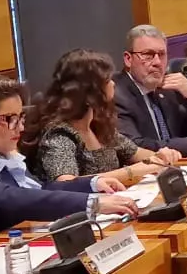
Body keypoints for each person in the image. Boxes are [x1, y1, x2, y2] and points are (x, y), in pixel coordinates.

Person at [0, 74, 144, 258]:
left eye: (20, 117)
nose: (20, 128)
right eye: (9, 119)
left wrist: (92, 184)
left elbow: (37, 191)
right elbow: (7, 200)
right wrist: (91, 203)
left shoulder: (0, 155)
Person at [30, 50, 169, 183]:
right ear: (88, 91)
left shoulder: (98, 124)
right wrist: (129, 172)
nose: (113, 83)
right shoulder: (59, 133)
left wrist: (159, 156)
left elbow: (136, 153)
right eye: (108, 80)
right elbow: (67, 183)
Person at [115, 24, 187, 158]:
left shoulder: (167, 87)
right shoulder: (116, 94)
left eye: (161, 54)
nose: (157, 62)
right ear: (128, 59)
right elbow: (134, 146)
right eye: (148, 55)